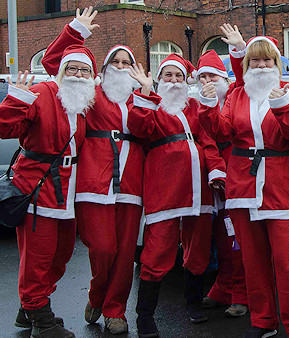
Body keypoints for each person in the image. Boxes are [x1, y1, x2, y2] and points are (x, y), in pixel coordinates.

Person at [37, 8, 145, 334]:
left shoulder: (141, 97)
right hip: (93, 181)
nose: (122, 68)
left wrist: (151, 91)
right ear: (105, 68)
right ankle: (97, 293)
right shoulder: (91, 93)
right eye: (116, 63)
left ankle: (115, 311)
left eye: (128, 63)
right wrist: (75, 32)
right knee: (102, 247)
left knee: (126, 254)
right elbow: (57, 65)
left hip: (131, 183)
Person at [211, 24, 289, 338]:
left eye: (267, 61)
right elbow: (222, 131)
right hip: (242, 185)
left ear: (277, 63)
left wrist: (282, 106)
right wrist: (206, 109)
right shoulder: (236, 94)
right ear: (246, 66)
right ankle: (263, 321)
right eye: (254, 61)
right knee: (253, 261)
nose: (261, 66)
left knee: (287, 261)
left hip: (280, 186)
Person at [0, 40, 97, 337]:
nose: (78, 75)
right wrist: (16, 97)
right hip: (36, 189)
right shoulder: (42, 93)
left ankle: (28, 307)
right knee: (38, 257)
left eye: (84, 70)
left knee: (61, 255)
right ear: (62, 70)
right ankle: (40, 317)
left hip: (66, 192)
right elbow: (5, 128)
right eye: (73, 68)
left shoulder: (83, 103)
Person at [127, 53, 227, 337]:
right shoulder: (151, 106)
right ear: (159, 79)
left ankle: (193, 302)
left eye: (179, 76)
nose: (173, 81)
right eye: (168, 76)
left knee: (198, 248)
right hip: (165, 187)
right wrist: (145, 92)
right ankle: (145, 315)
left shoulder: (194, 107)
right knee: (158, 249)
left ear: (186, 82)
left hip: (199, 188)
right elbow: (138, 128)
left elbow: (207, 141)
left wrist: (217, 171)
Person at [195, 49, 249, 318]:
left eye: (212, 76)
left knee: (236, 239)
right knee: (221, 238)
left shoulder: (234, 98)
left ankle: (240, 292)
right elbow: (204, 141)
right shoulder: (198, 105)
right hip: (213, 183)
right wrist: (215, 170)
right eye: (202, 75)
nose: (207, 81)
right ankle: (223, 286)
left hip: (237, 176)